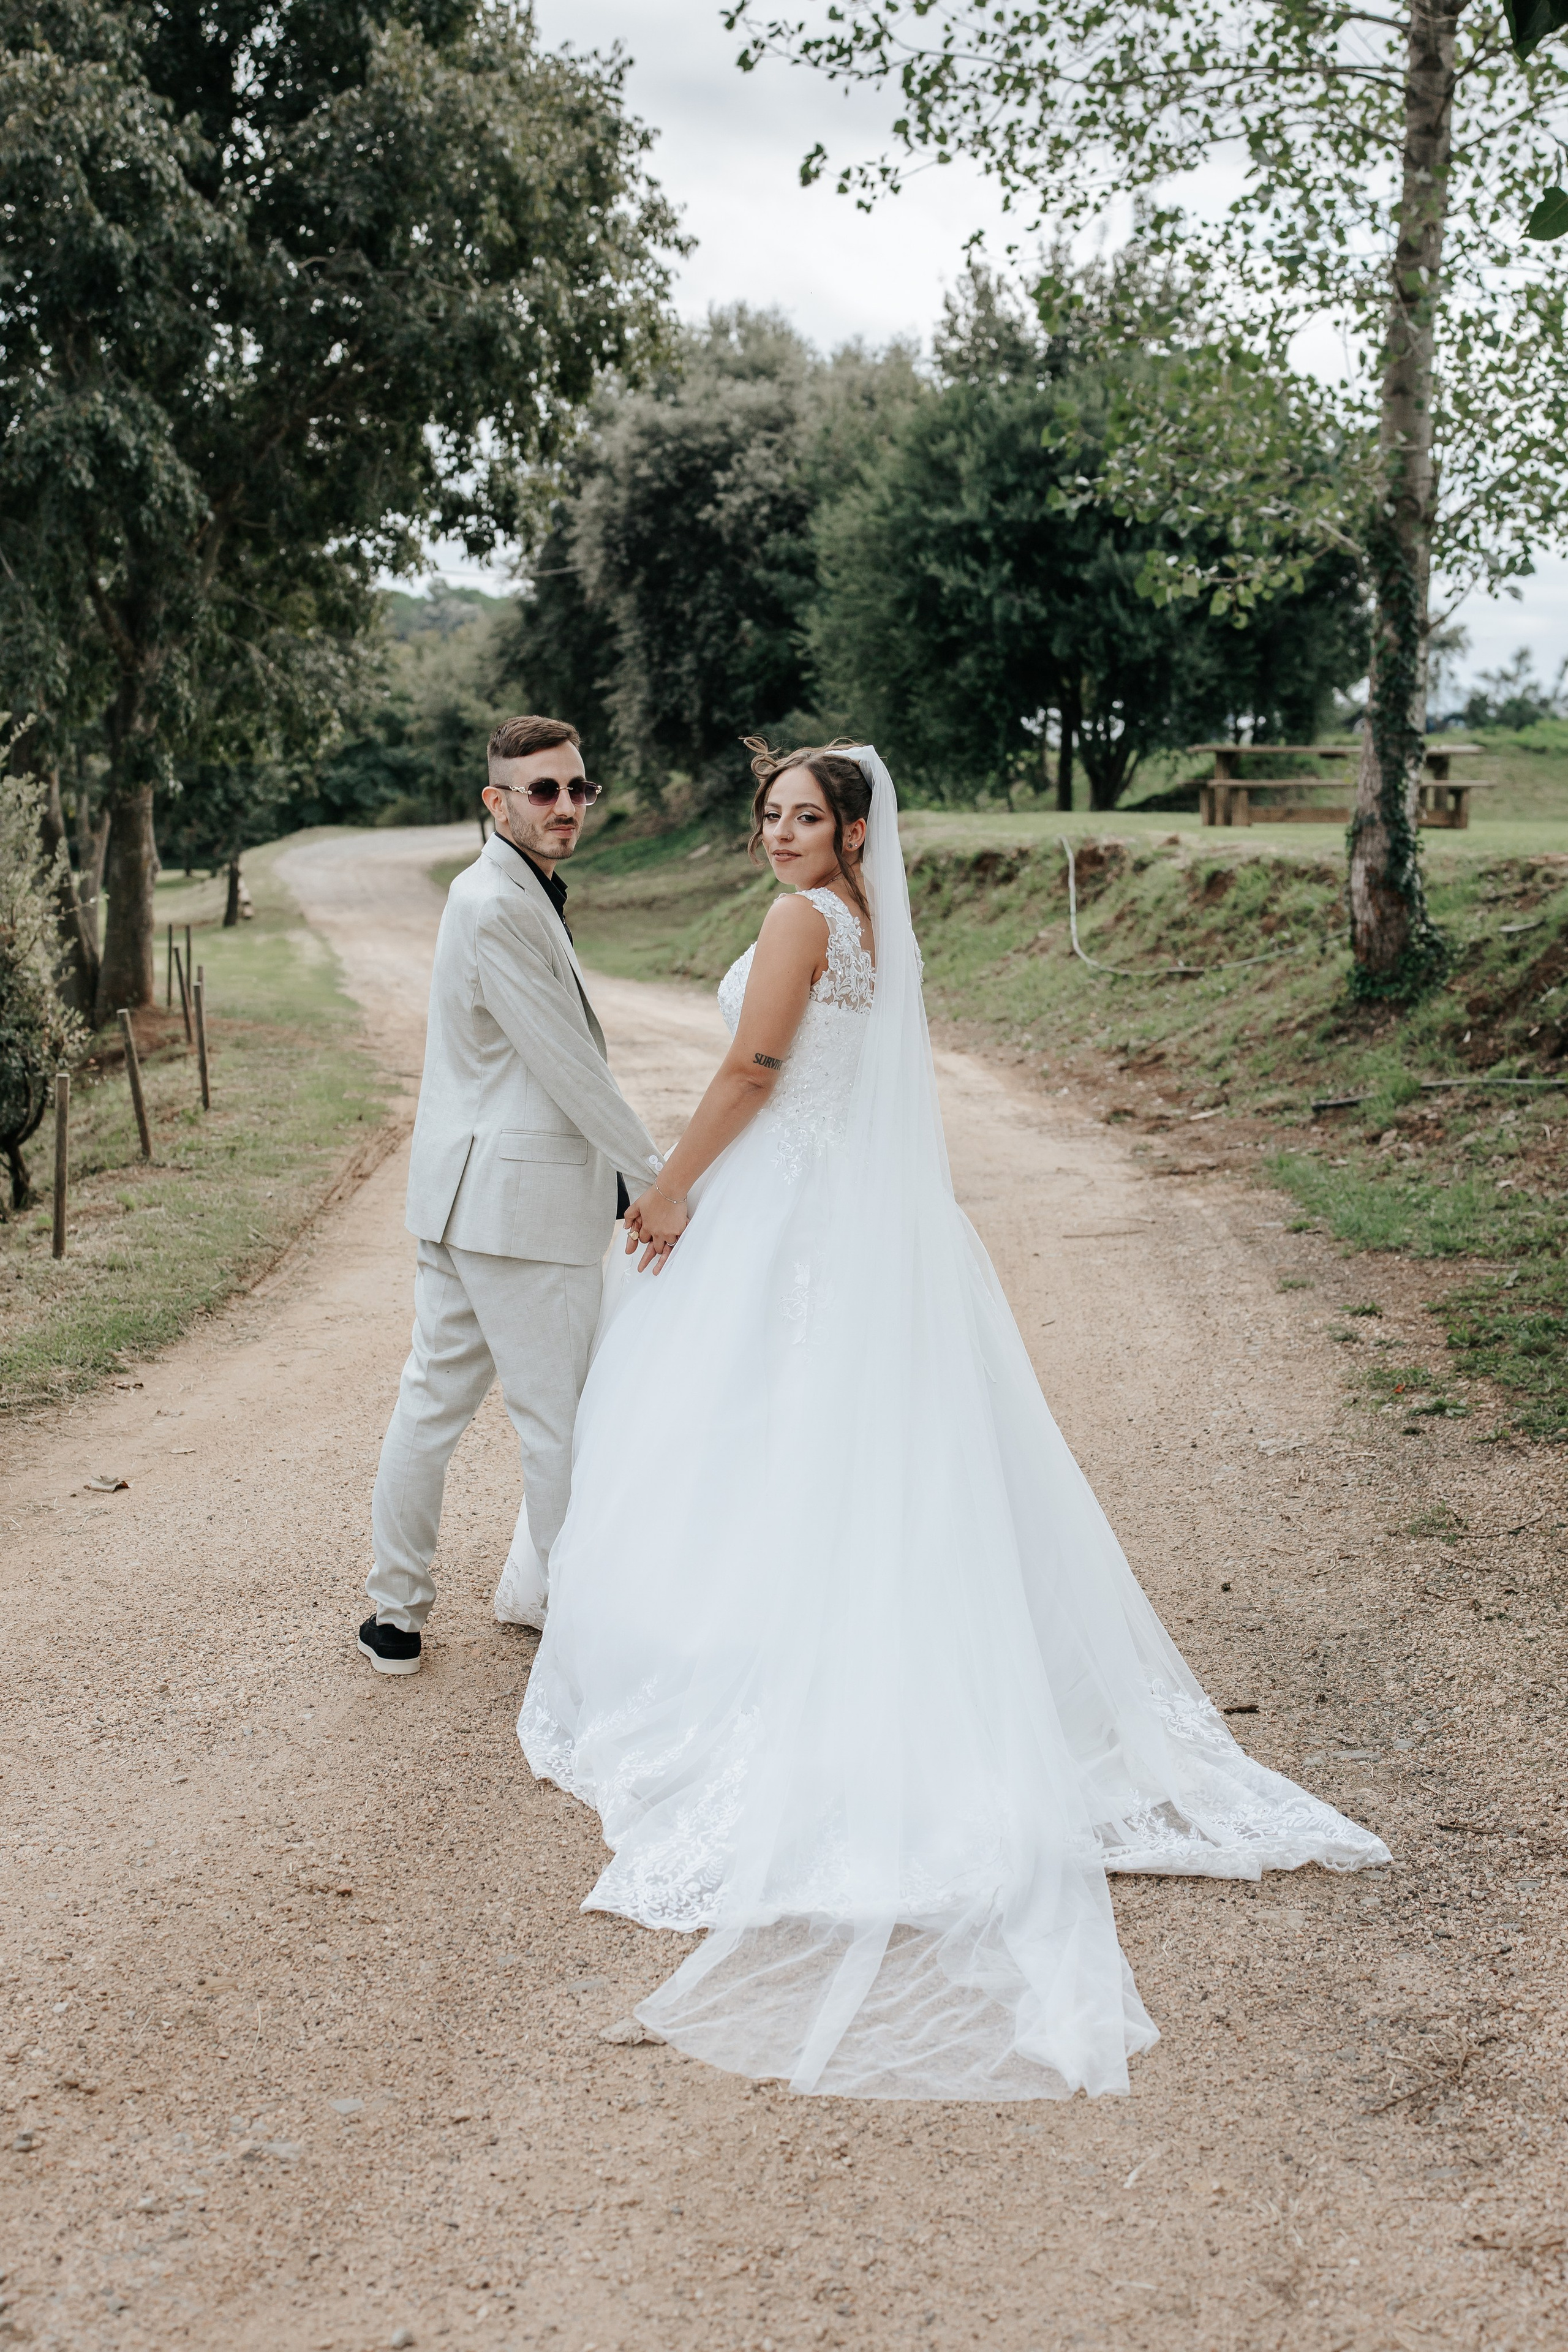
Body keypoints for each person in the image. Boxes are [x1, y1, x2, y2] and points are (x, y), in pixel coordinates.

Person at [519, 739, 1389, 2101]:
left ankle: (761, 1663)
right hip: (858, 1219)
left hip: (780, 1208)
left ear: (853, 832)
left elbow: (754, 1069)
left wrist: (670, 1186)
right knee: (855, 1452)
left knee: (753, 1438)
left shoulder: (802, 919)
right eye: (769, 816)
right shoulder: (867, 923)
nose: (778, 835)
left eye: (803, 817)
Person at [358, 715, 663, 1677]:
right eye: (544, 790)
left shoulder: (500, 889)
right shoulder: (494, 903)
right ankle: (580, 1623)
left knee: (431, 1405)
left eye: (579, 788)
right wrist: (661, 1183)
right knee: (554, 1423)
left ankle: (394, 1620)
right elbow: (570, 1067)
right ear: (496, 802)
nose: (567, 806)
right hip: (518, 1212)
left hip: (462, 1198)